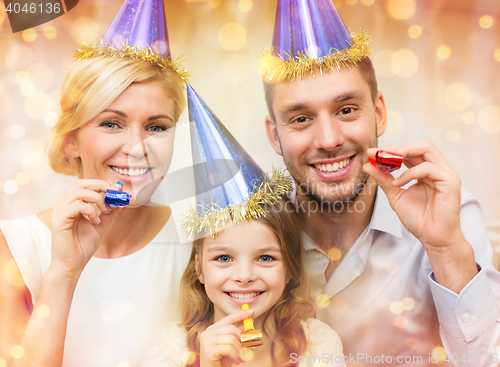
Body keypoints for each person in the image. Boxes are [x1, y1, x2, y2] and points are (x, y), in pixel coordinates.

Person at [258, 1, 500, 366]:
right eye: (302, 118)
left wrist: (446, 249)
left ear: (379, 112)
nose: (328, 139)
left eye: (346, 110)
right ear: (275, 136)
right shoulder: (248, 233)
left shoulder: (449, 216)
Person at [0, 1, 191, 366]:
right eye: (111, 123)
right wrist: (63, 273)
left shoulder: (202, 243)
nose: (137, 149)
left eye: (156, 127)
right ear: (71, 139)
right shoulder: (14, 248)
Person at [141, 86, 346, 367]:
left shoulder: (319, 345)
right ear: (199, 268)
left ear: (290, 269)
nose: (244, 275)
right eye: (223, 257)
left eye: (265, 257)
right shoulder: (171, 351)